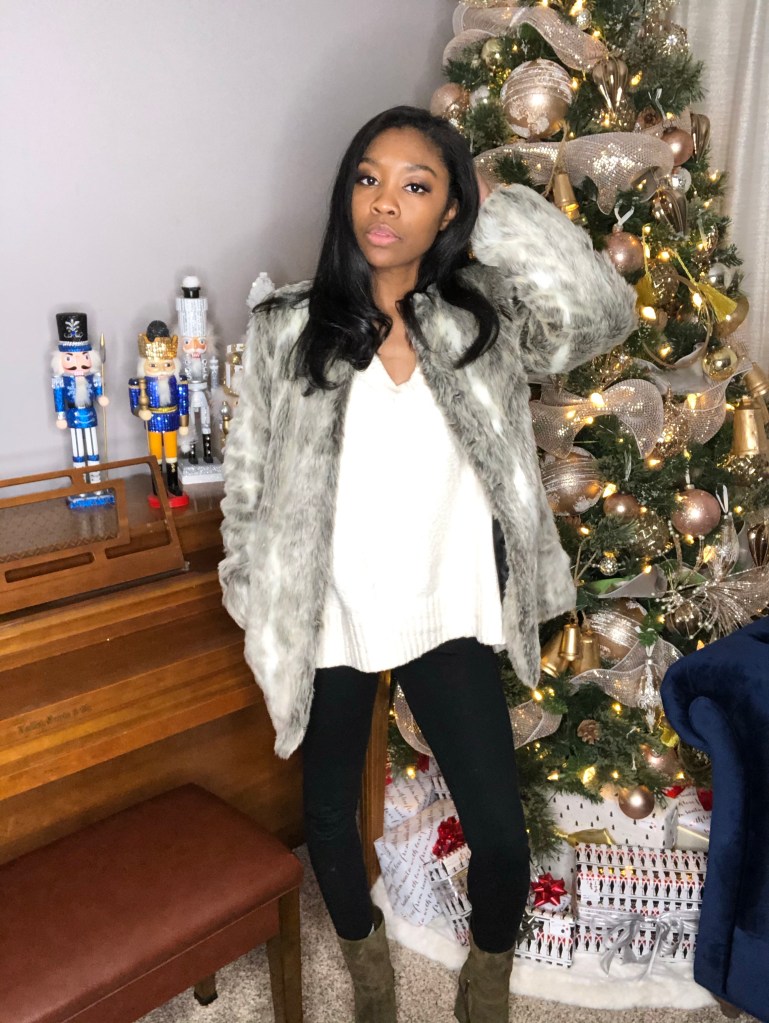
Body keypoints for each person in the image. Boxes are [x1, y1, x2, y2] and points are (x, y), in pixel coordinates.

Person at [219, 106, 637, 1023]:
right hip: (331, 612)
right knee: (327, 817)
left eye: (416, 186)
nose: (383, 203)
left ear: (450, 211)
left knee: (501, 836)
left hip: (446, 609)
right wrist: (256, 594)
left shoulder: (479, 317)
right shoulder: (288, 325)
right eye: (368, 178)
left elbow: (599, 316)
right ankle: (371, 980)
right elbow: (246, 483)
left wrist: (499, 202)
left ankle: (484, 984)